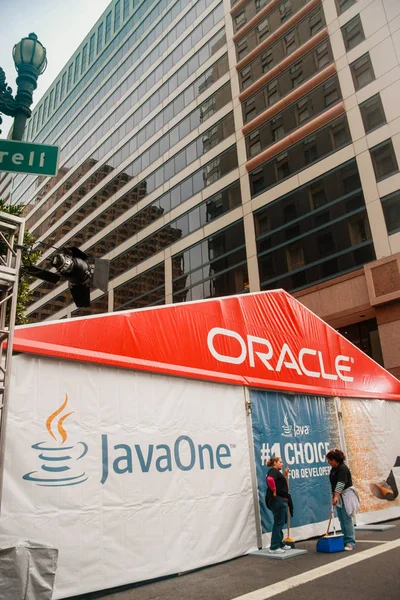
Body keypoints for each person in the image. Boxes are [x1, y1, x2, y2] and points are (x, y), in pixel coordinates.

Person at [326, 449, 356, 551]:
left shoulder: (342, 468)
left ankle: (350, 542)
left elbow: (341, 483)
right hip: (338, 495)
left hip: (345, 495)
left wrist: (336, 497)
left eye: (330, 460)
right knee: (341, 519)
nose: (329, 462)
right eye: (328, 460)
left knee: (346, 518)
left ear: (336, 459)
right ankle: (345, 539)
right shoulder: (334, 469)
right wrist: (334, 496)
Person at [265, 456, 292, 554]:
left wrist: (284, 474)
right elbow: (270, 480)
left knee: (281, 521)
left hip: (281, 500)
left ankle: (279, 543)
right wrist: (274, 490)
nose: (282, 463)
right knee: (278, 522)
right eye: (280, 462)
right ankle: (274, 547)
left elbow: (278, 482)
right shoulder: (273, 471)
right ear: (275, 463)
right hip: (277, 500)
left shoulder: (276, 472)